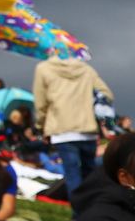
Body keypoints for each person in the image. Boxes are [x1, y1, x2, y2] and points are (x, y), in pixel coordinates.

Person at [32, 52, 113, 195]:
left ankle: (79, 214)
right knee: (90, 174)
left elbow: (41, 103)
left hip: (62, 129)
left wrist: (41, 126)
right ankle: (95, 210)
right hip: (88, 129)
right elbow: (106, 93)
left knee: (72, 175)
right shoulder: (86, 69)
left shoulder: (43, 68)